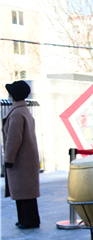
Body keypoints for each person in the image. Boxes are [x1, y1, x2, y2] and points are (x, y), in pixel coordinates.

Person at [3, 80, 41, 229]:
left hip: (20, 160)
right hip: (27, 159)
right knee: (26, 193)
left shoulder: (17, 113)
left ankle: (28, 221)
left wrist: (8, 159)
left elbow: (13, 139)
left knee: (22, 193)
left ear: (13, 95)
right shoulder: (24, 111)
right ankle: (27, 220)